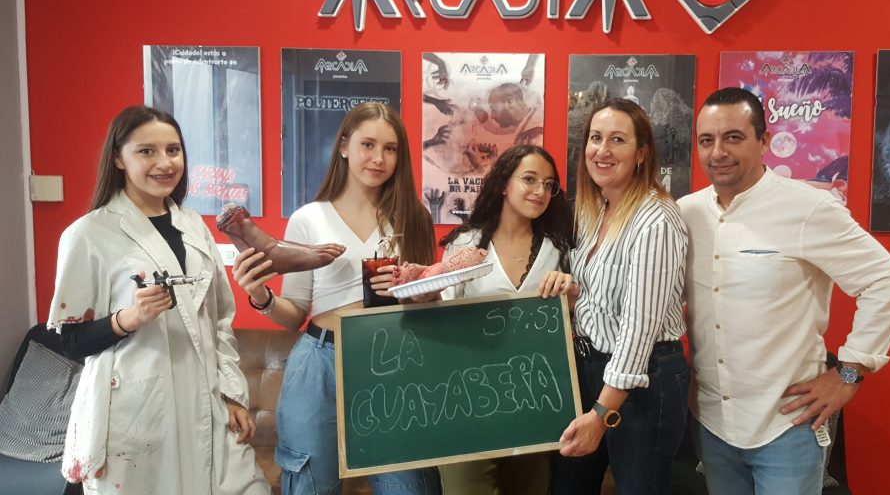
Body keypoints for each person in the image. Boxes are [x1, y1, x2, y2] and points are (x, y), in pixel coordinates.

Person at [676, 87, 890, 495]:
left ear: (764, 141)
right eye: (707, 140)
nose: (718, 152)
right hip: (711, 422)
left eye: (733, 137)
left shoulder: (808, 208)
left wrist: (849, 374)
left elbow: (885, 280)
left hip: (788, 426)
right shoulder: (686, 212)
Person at [48, 105, 270, 494]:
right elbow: (69, 341)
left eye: (173, 150)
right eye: (146, 151)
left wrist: (232, 395)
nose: (165, 163)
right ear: (119, 158)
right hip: (136, 414)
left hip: (206, 406)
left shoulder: (194, 226)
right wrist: (128, 319)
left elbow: (219, 321)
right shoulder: (88, 235)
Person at [230, 102, 440, 495]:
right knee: (311, 484)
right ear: (344, 146)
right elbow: (294, 315)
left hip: (393, 360)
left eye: (390, 149)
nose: (378, 158)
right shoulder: (309, 218)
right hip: (319, 364)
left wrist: (421, 292)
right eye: (367, 145)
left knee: (410, 485)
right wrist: (260, 295)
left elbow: (425, 303)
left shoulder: (414, 217)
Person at [550, 98, 689, 495]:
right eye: (595, 138)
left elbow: (639, 329)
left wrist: (600, 413)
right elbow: (604, 301)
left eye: (617, 140)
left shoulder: (656, 219)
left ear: (641, 153)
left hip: (645, 379)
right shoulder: (594, 210)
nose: (602, 150)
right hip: (592, 368)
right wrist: (574, 295)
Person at [434, 144, 575, 495]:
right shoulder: (466, 244)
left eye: (549, 184)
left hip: (534, 406)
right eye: (529, 179)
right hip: (469, 406)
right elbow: (440, 319)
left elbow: (571, 323)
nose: (540, 191)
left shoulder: (558, 249)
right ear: (502, 184)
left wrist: (571, 293)